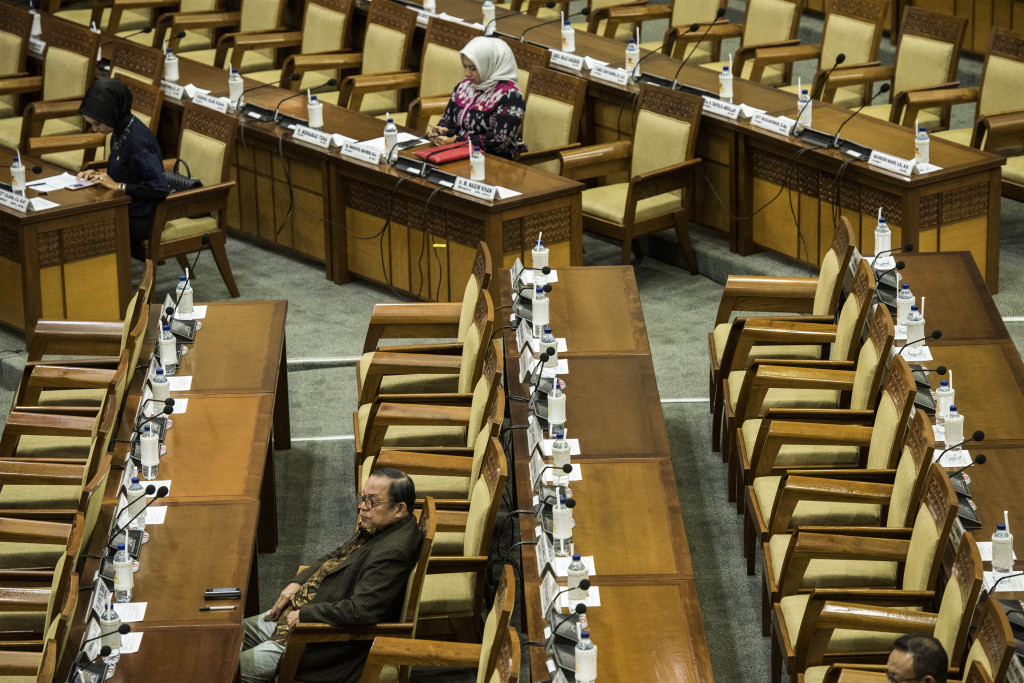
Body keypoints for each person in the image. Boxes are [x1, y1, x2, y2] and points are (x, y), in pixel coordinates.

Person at [239, 469, 423, 683]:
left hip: (314, 638)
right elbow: (336, 556)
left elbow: (361, 611)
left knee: (228, 668)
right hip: (297, 613)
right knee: (229, 635)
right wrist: (297, 582)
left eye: (372, 502)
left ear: (400, 509)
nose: (362, 506)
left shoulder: (393, 551)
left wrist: (306, 615)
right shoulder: (383, 525)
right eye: (362, 498)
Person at [75, 78, 169, 249]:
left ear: (113, 112)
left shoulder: (138, 142)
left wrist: (119, 186)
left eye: (97, 124)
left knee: (86, 231)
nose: (95, 130)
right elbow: (127, 170)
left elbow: (159, 188)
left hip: (141, 216)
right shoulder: (120, 128)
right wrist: (99, 176)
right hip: (123, 205)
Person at [428, 36, 526, 159]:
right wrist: (439, 131)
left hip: (493, 160)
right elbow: (447, 120)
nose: (467, 73)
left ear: (490, 65)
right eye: (465, 66)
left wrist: (457, 140)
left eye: (473, 68)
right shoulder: (464, 86)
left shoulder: (511, 96)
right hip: (455, 152)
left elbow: (500, 141)